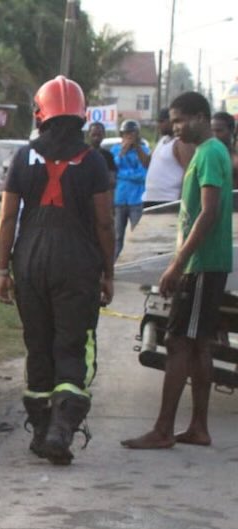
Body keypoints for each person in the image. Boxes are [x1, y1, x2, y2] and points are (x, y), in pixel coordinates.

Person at [0, 75, 114, 466]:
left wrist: (2, 270)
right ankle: (60, 431)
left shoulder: (22, 158)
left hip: (29, 263)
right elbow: (104, 223)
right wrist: (108, 272)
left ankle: (41, 428)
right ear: (81, 115)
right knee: (72, 345)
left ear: (39, 115)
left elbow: (7, 219)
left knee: (38, 346)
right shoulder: (93, 161)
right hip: (77, 265)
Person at [122, 92, 233, 450]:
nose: (177, 127)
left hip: (202, 264)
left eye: (182, 120)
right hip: (203, 263)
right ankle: (198, 427)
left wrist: (177, 263)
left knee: (178, 342)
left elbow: (208, 212)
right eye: (174, 121)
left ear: (200, 117)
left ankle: (164, 429)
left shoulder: (211, 153)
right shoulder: (205, 152)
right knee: (198, 343)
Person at [110, 119, 150, 260]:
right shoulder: (115, 150)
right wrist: (122, 153)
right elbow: (114, 170)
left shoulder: (144, 151)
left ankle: (136, 261)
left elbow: (143, 175)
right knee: (117, 236)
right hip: (120, 199)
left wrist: (124, 175)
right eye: (126, 134)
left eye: (132, 134)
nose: (129, 137)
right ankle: (114, 263)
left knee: (135, 235)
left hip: (136, 199)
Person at [143, 108, 195, 211]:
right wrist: (136, 145)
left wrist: (182, 199)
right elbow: (147, 164)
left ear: (171, 121)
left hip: (169, 199)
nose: (158, 125)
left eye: (161, 121)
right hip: (151, 198)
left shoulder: (180, 143)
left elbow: (189, 171)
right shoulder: (162, 140)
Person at [209, 111, 238, 184]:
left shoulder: (235, 157)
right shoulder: (207, 154)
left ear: (232, 130)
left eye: (219, 131)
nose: (214, 135)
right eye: (212, 131)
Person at [86, 121, 117, 189]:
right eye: (94, 135)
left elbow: (112, 180)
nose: (96, 138)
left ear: (104, 135)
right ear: (89, 134)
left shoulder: (108, 155)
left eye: (99, 135)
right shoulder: (83, 154)